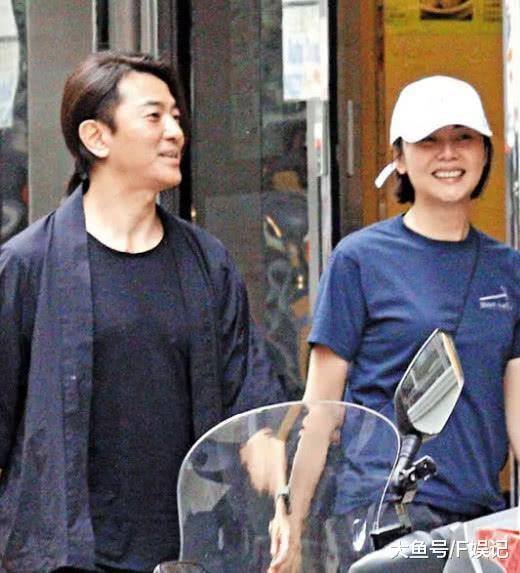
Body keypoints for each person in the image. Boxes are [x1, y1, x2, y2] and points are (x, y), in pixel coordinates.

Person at [0, 51, 286, 573]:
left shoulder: (207, 262)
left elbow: (250, 403)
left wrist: (276, 497)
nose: (175, 132)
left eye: (176, 117)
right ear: (96, 137)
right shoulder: (28, 265)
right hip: (67, 556)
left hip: (187, 553)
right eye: (154, 116)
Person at [268, 75, 520, 572]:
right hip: (382, 515)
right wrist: (292, 522)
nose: (448, 153)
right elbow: (322, 410)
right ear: (400, 157)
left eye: (464, 138)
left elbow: (517, 412)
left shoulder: (509, 270)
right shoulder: (359, 259)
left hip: (478, 517)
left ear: (486, 152)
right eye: (429, 140)